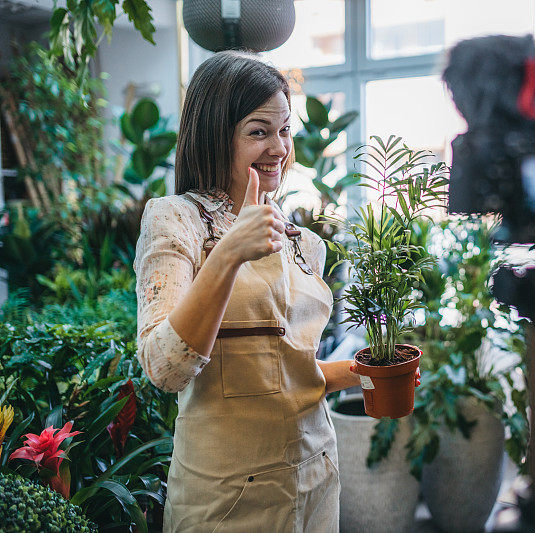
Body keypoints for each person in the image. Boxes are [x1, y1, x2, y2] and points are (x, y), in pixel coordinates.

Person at [133, 50, 419, 532]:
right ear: (213, 133)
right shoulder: (175, 220)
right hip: (226, 497)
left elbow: (287, 372)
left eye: (285, 130)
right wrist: (228, 252)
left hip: (316, 480)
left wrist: (368, 372)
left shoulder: (301, 241)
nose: (279, 148)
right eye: (259, 131)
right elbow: (164, 368)